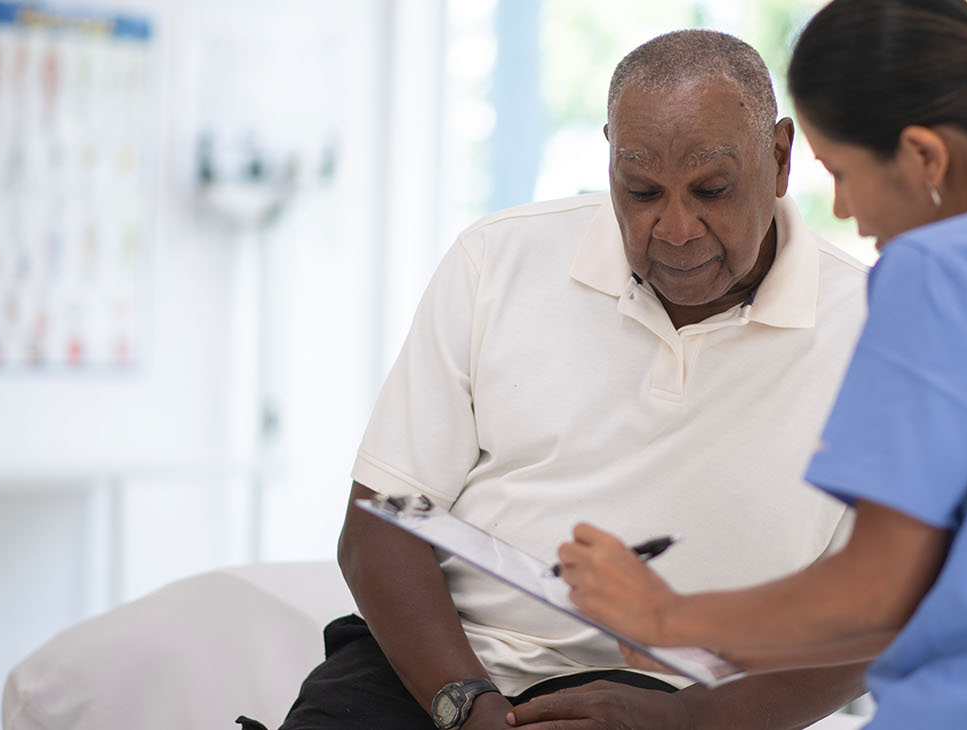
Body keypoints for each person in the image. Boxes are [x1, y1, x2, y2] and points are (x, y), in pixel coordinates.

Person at [555, 1, 967, 728]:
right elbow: (949, 594)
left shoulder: (944, 268)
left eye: (842, 173)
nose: (846, 212)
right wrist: (717, 640)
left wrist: (662, 613)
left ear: (924, 156)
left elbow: (880, 585)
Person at [263, 29, 874, 730]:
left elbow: (881, 610)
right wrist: (465, 703)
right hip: (449, 675)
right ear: (609, 152)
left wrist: (687, 723)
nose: (675, 229)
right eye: (640, 189)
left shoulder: (873, 329)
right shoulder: (496, 259)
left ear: (779, 156)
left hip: (685, 706)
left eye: (712, 189)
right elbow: (380, 526)